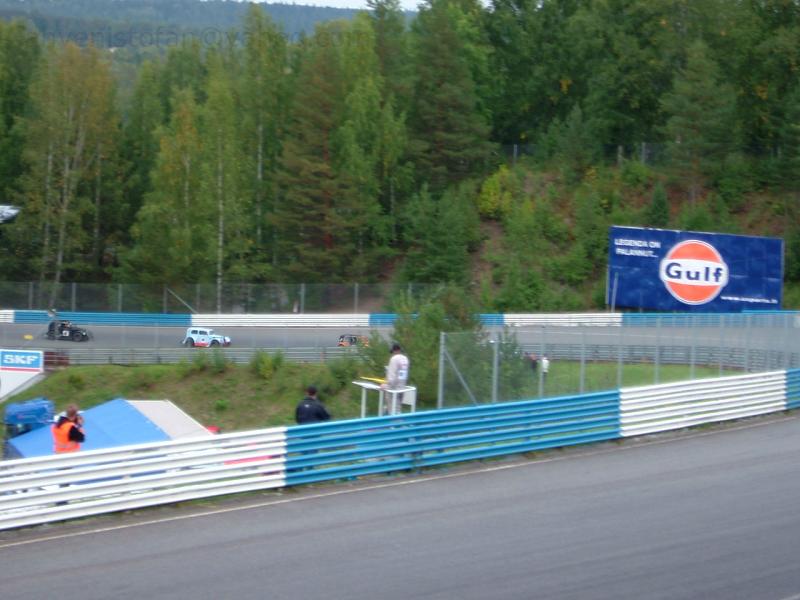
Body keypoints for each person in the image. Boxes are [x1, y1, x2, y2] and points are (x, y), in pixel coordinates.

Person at [382, 343, 410, 415]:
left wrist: (385, 385)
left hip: (393, 389)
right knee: (398, 408)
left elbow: (392, 377)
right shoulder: (405, 359)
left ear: (394, 351)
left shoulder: (394, 359)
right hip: (402, 387)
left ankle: (394, 421)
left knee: (393, 411)